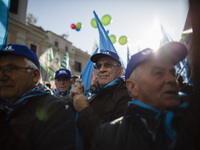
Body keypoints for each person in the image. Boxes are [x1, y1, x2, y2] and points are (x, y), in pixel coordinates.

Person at [91, 42, 195, 150]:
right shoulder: (108, 136)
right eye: (158, 73)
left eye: (172, 73)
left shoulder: (193, 122)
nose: (171, 80)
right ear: (132, 87)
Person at [0, 44, 75, 150]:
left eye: (11, 69)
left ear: (35, 75)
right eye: (0, 69)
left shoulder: (57, 110)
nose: (1, 76)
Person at [70, 50, 132, 149]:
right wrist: (74, 99)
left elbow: (116, 140)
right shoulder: (97, 94)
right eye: (98, 66)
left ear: (120, 71)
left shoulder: (127, 96)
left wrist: (84, 109)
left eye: (107, 65)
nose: (101, 70)